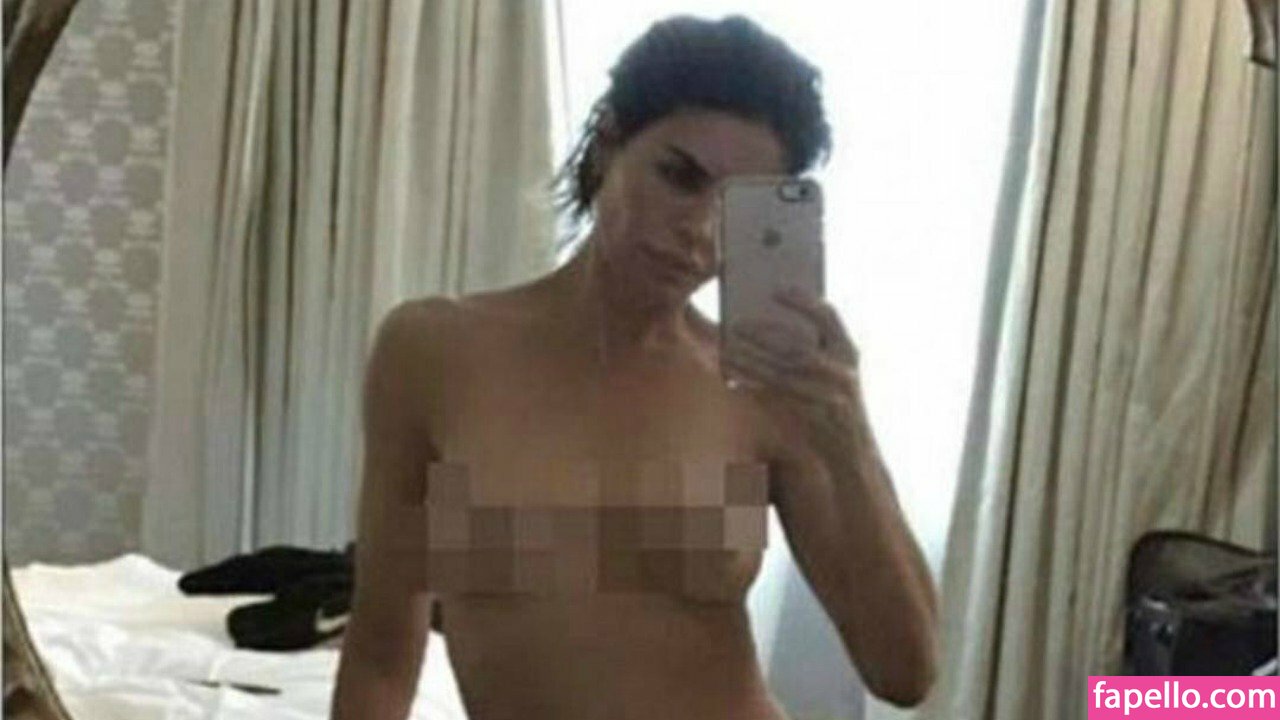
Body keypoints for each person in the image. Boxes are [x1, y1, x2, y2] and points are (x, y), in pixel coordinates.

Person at [332, 15, 938, 720]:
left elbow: (905, 673)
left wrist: (850, 440)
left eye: (737, 209)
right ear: (608, 145)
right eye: (680, 177)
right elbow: (381, 652)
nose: (700, 230)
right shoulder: (434, 353)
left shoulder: (760, 388)